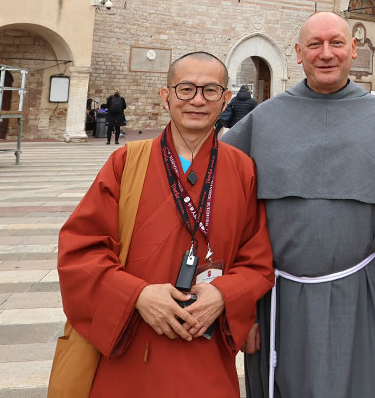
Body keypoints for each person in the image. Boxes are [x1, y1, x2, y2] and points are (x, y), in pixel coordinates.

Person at [223, 12, 375, 398]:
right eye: (315, 44)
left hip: (363, 296)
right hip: (277, 299)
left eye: (336, 43)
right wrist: (240, 303)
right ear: (298, 53)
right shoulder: (263, 119)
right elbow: (226, 208)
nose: (326, 54)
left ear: (353, 48)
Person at [56, 52, 275, 396]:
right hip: (130, 353)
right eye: (186, 89)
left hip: (207, 352)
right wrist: (137, 295)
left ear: (226, 99)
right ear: (166, 96)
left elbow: (258, 261)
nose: (197, 100)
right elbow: (79, 251)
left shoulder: (242, 169)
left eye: (210, 91)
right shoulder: (126, 162)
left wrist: (223, 294)